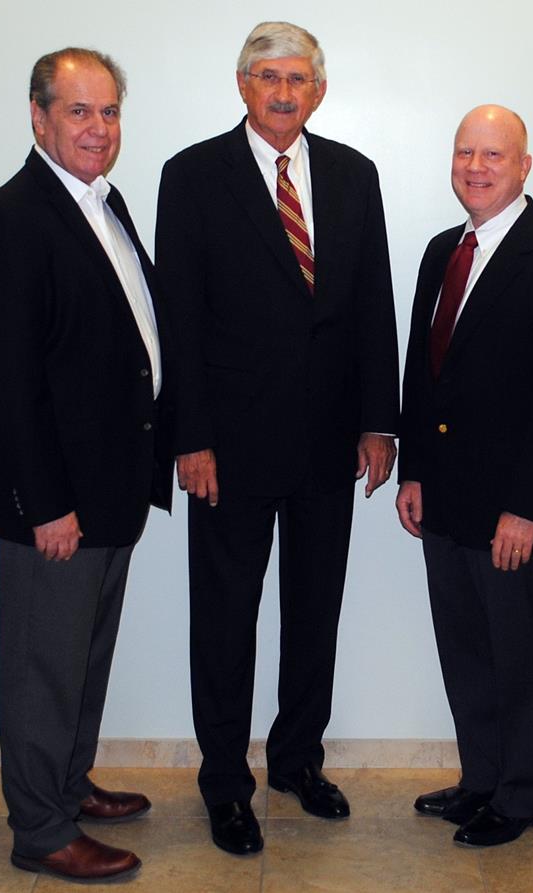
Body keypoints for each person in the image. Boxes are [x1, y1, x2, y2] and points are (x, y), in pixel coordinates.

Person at [156, 21, 399, 855]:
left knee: (313, 612)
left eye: (299, 77)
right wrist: (190, 437)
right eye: (268, 76)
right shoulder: (190, 176)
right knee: (225, 618)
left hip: (329, 441)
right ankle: (226, 780)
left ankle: (297, 758)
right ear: (242, 85)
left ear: (319, 90)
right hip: (227, 446)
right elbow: (178, 318)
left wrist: (379, 420)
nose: (284, 91)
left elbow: (374, 302)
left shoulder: (352, 174)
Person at [0, 47, 171, 883]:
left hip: (111, 491)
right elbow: (10, 385)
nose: (97, 127)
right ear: (39, 116)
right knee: (44, 668)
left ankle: (68, 783)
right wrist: (45, 502)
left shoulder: (101, 205)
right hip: (57, 504)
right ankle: (41, 827)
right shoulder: (12, 217)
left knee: (84, 658)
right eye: (79, 111)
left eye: (109, 111)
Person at [396, 106, 533, 848]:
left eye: (494, 154)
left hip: (515, 509)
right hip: (447, 500)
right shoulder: (439, 251)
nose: (476, 167)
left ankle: (519, 796)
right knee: (465, 649)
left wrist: (527, 509)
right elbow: (421, 374)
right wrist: (415, 470)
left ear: (524, 166)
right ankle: (481, 778)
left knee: (519, 657)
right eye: (465, 153)